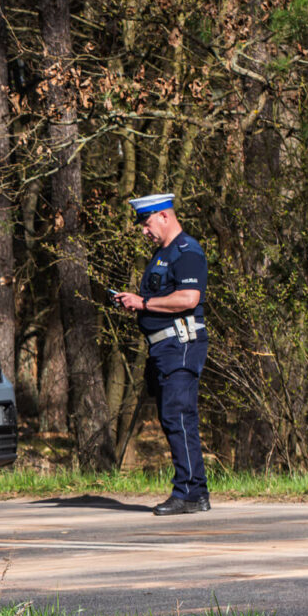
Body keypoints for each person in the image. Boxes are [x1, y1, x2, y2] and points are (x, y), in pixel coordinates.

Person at [112, 193, 210, 516]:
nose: (143, 230)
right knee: (173, 419)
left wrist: (144, 304)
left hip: (180, 346)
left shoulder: (186, 251)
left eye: (147, 222)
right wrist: (136, 301)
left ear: (165, 217)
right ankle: (195, 490)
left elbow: (189, 297)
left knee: (179, 417)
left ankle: (189, 492)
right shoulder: (161, 255)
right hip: (164, 349)